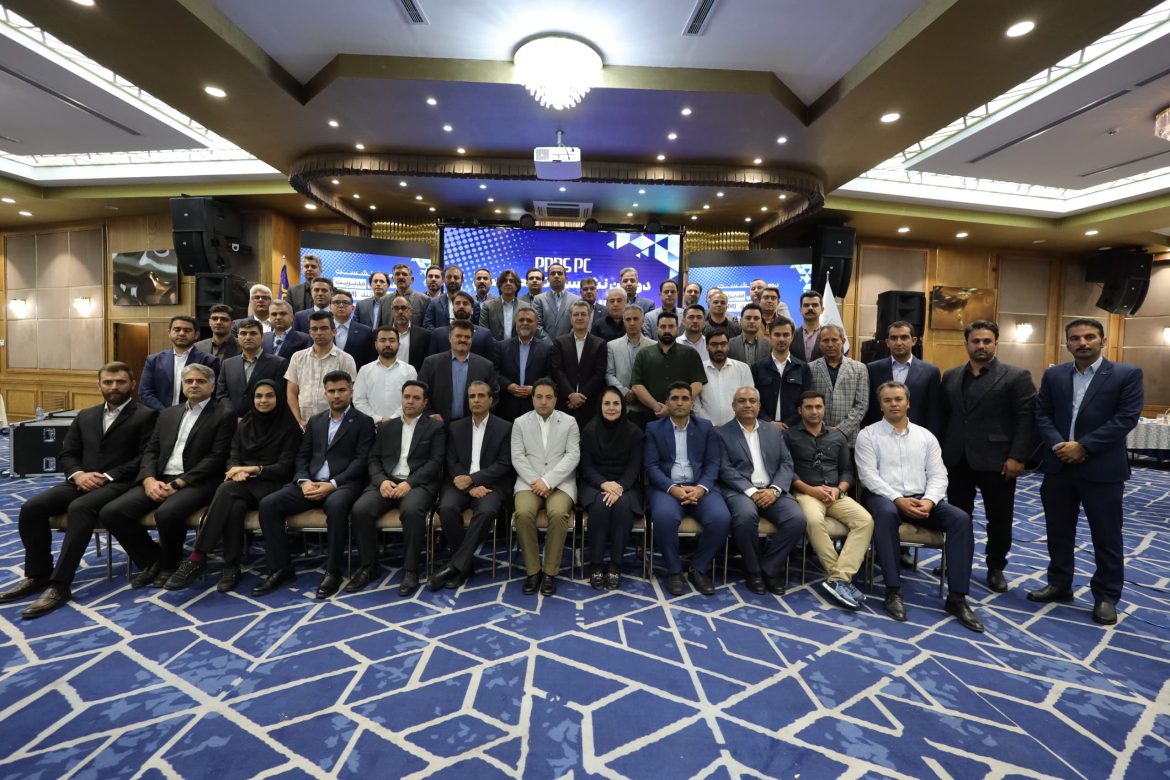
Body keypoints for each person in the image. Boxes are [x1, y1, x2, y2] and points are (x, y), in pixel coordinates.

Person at [2, 363, 157, 619]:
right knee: (32, 508)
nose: (114, 387)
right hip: (81, 480)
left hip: (121, 483)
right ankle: (39, 574)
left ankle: (60, 585)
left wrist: (108, 476)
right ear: (99, 385)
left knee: (80, 508)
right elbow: (67, 453)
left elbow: (146, 456)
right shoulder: (86, 415)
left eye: (120, 382)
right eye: (108, 382)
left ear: (132, 384)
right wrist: (78, 474)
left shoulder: (147, 415)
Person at [1028, 318, 1143, 625]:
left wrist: (1084, 447)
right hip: (1058, 467)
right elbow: (1043, 414)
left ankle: (1106, 596)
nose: (1082, 342)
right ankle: (1059, 583)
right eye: (1075, 338)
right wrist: (1059, 445)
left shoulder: (1126, 374)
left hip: (1102, 469)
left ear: (1102, 341)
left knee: (1106, 536)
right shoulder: (1054, 375)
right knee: (1058, 531)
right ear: (1067, 343)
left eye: (1089, 337)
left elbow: (1126, 418)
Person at [855, 381, 983, 632]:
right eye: (888, 400)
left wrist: (929, 501)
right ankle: (893, 590)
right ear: (880, 405)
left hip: (923, 499)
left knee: (960, 519)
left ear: (908, 403)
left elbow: (938, 475)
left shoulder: (926, 436)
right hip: (884, 497)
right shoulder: (867, 435)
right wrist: (897, 499)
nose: (894, 404)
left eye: (898, 399)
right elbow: (868, 476)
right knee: (886, 514)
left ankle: (957, 598)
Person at [99, 364, 237, 589]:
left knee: (166, 513)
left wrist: (178, 483)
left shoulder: (224, 414)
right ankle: (153, 560)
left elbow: (217, 457)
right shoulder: (168, 413)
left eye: (200, 381)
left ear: (212, 387)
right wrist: (148, 480)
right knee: (112, 512)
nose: (194, 385)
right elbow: (151, 451)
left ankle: (169, 565)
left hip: (197, 481)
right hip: (159, 478)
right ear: (182, 386)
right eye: (189, 381)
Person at [163, 379, 302, 592]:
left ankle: (198, 556)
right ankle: (231, 566)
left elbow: (285, 468)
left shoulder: (289, 427)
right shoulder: (245, 424)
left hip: (274, 484)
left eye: (269, 395)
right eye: (258, 396)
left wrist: (252, 470)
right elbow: (233, 455)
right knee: (234, 506)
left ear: (279, 398)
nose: (263, 400)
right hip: (243, 484)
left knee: (226, 490)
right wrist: (235, 470)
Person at [253, 371, 375, 598]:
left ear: (351, 392)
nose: (336, 395)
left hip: (343, 484)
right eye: (331, 391)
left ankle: (333, 571)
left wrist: (333, 484)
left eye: (341, 390)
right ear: (325, 393)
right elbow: (302, 456)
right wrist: (304, 481)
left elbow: (361, 461)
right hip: (310, 483)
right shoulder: (316, 421)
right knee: (269, 504)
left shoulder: (363, 422)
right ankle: (280, 568)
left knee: (336, 506)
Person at [940, 320, 1036, 593]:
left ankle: (995, 567)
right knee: (959, 516)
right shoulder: (951, 375)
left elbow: (1026, 419)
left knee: (999, 518)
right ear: (966, 344)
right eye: (975, 341)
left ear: (996, 343)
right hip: (957, 459)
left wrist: (1018, 456)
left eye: (986, 341)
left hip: (999, 460)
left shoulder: (1016, 376)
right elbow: (948, 416)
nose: (980, 346)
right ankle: (958, 562)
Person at [348, 380, 445, 595]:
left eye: (416, 398)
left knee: (411, 511)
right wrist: (381, 481)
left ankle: (410, 569)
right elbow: (373, 458)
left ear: (425, 402)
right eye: (406, 397)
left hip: (417, 484)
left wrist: (409, 483)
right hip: (386, 481)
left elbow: (435, 463)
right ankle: (369, 567)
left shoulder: (435, 428)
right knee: (361, 509)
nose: (410, 401)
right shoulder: (386, 427)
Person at [786, 391, 873, 609]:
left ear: (824, 409)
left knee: (865, 520)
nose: (814, 411)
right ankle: (840, 579)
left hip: (835, 494)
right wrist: (811, 490)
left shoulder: (837, 437)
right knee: (814, 521)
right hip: (806, 493)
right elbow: (787, 472)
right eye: (808, 407)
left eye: (818, 407)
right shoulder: (789, 436)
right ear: (800, 410)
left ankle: (838, 578)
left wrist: (839, 489)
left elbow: (847, 471)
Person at [717, 386, 805, 595]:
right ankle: (753, 570)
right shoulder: (721, 433)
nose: (747, 405)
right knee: (746, 517)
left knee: (797, 519)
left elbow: (786, 463)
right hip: (741, 491)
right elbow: (724, 469)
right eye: (742, 401)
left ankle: (768, 569)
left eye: (752, 401)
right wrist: (752, 492)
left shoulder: (774, 431)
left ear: (759, 405)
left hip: (772, 489)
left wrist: (774, 490)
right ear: (733, 406)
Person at [645, 381, 731, 596]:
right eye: (674, 398)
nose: (680, 403)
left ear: (692, 404)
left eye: (685, 398)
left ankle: (698, 568)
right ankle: (674, 571)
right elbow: (651, 467)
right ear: (667, 402)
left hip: (700, 487)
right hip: (667, 488)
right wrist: (672, 488)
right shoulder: (653, 428)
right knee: (664, 517)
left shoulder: (705, 427)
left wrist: (700, 488)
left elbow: (713, 464)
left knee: (721, 518)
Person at [428, 381, 513, 590]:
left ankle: (456, 565)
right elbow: (451, 461)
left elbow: (503, 464)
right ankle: (464, 565)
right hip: (459, 483)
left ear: (491, 400)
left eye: (481, 396)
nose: (476, 400)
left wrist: (474, 479)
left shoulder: (505, 428)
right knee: (447, 508)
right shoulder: (456, 427)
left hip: (490, 485)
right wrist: (468, 485)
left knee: (486, 511)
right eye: (472, 396)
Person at [511, 377, 581, 596]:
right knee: (523, 513)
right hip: (528, 482)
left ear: (556, 400)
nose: (543, 401)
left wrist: (548, 481)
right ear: (532, 399)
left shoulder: (569, 422)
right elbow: (517, 457)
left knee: (558, 514)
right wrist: (538, 482)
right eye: (539, 397)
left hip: (560, 483)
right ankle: (533, 572)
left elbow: (573, 456)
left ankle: (550, 573)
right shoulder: (520, 422)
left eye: (548, 397)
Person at [579, 387, 644, 590]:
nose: (611, 408)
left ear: (622, 406)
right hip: (595, 484)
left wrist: (620, 487)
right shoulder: (589, 430)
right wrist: (604, 484)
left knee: (622, 505)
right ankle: (596, 565)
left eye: (616, 403)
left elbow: (634, 467)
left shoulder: (634, 432)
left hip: (626, 485)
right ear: (600, 406)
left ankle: (616, 565)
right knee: (600, 504)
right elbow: (586, 467)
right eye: (607, 403)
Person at [864, 321, 942, 434]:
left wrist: (931, 438)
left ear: (913, 341)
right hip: (880, 435)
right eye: (894, 338)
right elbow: (869, 408)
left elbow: (934, 413)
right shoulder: (872, 369)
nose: (899, 342)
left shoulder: (930, 372)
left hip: (916, 436)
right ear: (887, 342)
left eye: (904, 338)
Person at [285, 311, 358, 428]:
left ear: (334, 331)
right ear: (310, 333)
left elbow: (348, 394)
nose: (319, 333)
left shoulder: (346, 359)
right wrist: (299, 420)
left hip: (334, 425)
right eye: (314, 329)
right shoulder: (298, 357)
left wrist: (337, 423)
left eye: (324, 328)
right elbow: (291, 392)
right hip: (302, 424)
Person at [631, 311, 706, 425]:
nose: (667, 330)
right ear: (657, 329)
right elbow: (636, 386)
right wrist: (657, 407)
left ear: (677, 329)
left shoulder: (690, 354)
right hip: (650, 417)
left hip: (684, 418)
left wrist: (675, 407)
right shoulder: (644, 354)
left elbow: (697, 384)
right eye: (663, 326)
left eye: (671, 326)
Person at [417, 319, 498, 422]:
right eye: (458, 336)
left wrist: (481, 416)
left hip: (472, 425)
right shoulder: (431, 363)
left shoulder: (485, 366)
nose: (463, 340)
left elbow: (494, 396)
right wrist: (429, 414)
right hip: (438, 425)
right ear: (450, 338)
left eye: (467, 337)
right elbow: (420, 393)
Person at [139, 315, 220, 411]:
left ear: (196, 335)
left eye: (187, 330)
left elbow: (212, 393)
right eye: (177, 330)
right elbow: (145, 392)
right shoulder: (153, 360)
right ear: (169, 333)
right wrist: (165, 413)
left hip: (195, 414)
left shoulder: (209, 361)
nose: (181, 333)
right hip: (159, 415)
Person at [808, 325, 868, 445]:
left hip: (849, 439)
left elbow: (862, 404)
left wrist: (841, 430)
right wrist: (822, 429)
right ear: (819, 343)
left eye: (834, 340)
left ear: (843, 341)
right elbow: (807, 402)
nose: (830, 344)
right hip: (817, 435)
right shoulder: (810, 368)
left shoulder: (859, 368)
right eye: (825, 340)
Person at [549, 300, 607, 425]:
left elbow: (599, 373)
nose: (579, 318)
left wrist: (581, 396)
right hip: (565, 403)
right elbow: (557, 371)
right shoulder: (559, 342)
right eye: (576, 314)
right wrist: (570, 394)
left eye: (583, 314)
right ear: (571, 318)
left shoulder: (600, 344)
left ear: (589, 318)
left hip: (590, 403)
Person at [215, 318, 288, 418]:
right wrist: (232, 416)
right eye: (243, 333)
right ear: (238, 337)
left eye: (253, 333)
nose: (248, 337)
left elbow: (280, 396)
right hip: (233, 421)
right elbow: (221, 395)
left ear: (262, 337)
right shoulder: (227, 364)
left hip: (264, 421)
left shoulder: (279, 363)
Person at [753, 317, 811, 430]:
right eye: (777, 334)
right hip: (764, 427)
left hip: (794, 429)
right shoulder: (757, 367)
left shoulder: (803, 368)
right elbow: (754, 400)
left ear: (792, 337)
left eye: (786, 335)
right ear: (770, 336)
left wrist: (787, 424)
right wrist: (769, 422)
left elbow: (806, 401)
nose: (781, 339)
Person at [352, 326, 418, 424]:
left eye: (392, 340)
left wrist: (393, 419)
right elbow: (359, 400)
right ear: (376, 345)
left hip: (402, 425)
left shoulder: (409, 370)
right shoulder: (364, 370)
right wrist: (376, 419)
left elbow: (412, 399)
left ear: (399, 344)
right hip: (371, 426)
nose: (387, 344)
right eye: (382, 340)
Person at [497, 304, 550, 421]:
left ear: (536, 325)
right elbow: (495, 372)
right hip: (507, 406)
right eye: (521, 320)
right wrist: (508, 386)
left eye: (529, 320)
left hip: (534, 406)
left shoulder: (547, 348)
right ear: (516, 323)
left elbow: (550, 375)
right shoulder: (501, 346)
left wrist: (536, 388)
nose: (525, 323)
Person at [606, 304, 656, 423]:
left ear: (642, 321)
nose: (632, 323)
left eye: (635, 319)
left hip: (648, 406)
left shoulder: (654, 345)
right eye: (628, 319)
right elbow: (609, 374)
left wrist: (641, 394)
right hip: (622, 405)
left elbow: (656, 375)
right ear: (623, 322)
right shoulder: (612, 345)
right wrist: (625, 392)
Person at [696, 329, 753, 427]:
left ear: (728, 346)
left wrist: (736, 424)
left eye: (723, 344)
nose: (719, 348)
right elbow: (696, 403)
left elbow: (749, 399)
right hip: (707, 429)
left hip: (737, 428)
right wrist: (709, 425)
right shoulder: (699, 369)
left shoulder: (742, 368)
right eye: (714, 344)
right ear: (707, 347)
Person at [428, 290, 496, 360]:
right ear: (452, 309)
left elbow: (491, 364)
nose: (461, 306)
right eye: (457, 303)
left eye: (465, 303)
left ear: (472, 310)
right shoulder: (438, 334)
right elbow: (431, 363)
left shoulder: (485, 334)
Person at [328, 288, 375, 366]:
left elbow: (370, 361)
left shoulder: (366, 332)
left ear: (353, 308)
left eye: (345, 302)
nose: (341, 306)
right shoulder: (322, 329)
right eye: (337, 302)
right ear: (330, 307)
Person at [534, 262, 581, 339]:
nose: (556, 276)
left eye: (560, 273)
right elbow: (536, 325)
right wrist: (548, 342)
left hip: (568, 344)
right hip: (545, 344)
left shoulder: (577, 300)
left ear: (566, 278)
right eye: (553, 273)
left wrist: (566, 341)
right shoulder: (539, 299)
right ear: (548, 279)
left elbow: (577, 324)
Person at [424, 265, 480, 329]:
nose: (452, 280)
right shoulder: (434, 303)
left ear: (462, 281)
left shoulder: (474, 304)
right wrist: (440, 334)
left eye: (456, 277)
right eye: (449, 277)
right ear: (444, 280)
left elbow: (478, 328)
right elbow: (427, 325)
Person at [389, 294, 431, 372]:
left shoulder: (424, 335)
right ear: (392, 312)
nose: (400, 312)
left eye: (404, 308)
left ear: (411, 312)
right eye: (396, 308)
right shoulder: (382, 334)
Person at [479, 269, 522, 341]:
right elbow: (483, 332)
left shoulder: (526, 307)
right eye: (504, 281)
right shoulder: (488, 306)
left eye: (511, 281)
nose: (508, 283)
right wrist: (497, 346)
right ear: (499, 285)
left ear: (517, 285)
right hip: (493, 347)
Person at [388, 262, 430, 326]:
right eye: (397, 274)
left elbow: (427, 326)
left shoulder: (424, 300)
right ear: (392, 279)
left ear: (412, 280)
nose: (400, 277)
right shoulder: (384, 301)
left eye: (404, 274)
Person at [790, 291, 823, 363]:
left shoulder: (829, 336)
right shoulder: (791, 335)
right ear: (800, 310)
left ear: (822, 310)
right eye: (806, 305)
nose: (810, 308)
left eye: (814, 305)